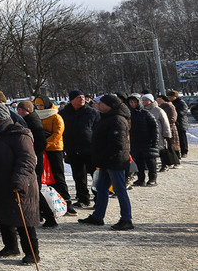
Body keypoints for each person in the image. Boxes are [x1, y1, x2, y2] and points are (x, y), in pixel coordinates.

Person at [0, 103, 40, 265]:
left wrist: (19, 180)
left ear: (0, 117)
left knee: (23, 219)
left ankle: (32, 252)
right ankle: (11, 246)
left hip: (19, 183)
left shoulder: (19, 134)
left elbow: (27, 160)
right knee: (2, 215)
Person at [80, 95, 134, 230]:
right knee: (101, 189)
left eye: (101, 103)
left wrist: (103, 155)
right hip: (106, 161)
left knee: (119, 189)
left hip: (115, 161)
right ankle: (98, 216)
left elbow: (118, 144)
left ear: (110, 105)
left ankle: (126, 219)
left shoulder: (117, 119)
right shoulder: (107, 117)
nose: (98, 105)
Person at [16, 100, 56, 228]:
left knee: (34, 190)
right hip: (34, 160)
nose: (18, 112)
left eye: (20, 110)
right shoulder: (31, 120)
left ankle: (49, 217)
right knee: (34, 189)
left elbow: (40, 143)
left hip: (34, 161)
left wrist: (31, 154)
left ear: (25, 110)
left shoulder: (32, 122)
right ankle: (40, 215)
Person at [59, 90, 99, 209]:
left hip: (90, 149)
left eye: (82, 97)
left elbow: (98, 130)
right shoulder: (63, 114)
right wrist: (63, 149)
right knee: (78, 176)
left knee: (95, 175)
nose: (82, 99)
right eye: (78, 97)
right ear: (71, 100)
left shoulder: (93, 113)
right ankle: (83, 198)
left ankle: (99, 199)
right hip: (73, 149)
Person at [34, 96, 72, 213]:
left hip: (54, 148)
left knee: (58, 175)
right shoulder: (36, 115)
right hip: (42, 149)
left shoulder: (55, 116)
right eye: (37, 105)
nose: (39, 107)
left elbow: (58, 133)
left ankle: (66, 201)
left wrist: (46, 143)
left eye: (41, 105)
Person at [126, 95, 159, 187]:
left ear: (138, 102)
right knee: (139, 162)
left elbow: (154, 127)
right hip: (135, 142)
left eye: (135, 102)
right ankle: (141, 179)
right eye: (131, 102)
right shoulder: (128, 114)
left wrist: (154, 139)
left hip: (147, 141)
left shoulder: (146, 113)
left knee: (150, 161)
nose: (133, 104)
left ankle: (152, 179)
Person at [141, 94, 172, 177]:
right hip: (147, 134)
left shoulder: (158, 110)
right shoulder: (142, 110)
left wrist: (167, 133)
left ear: (151, 101)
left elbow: (165, 122)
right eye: (143, 100)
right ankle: (153, 165)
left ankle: (164, 164)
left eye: (146, 100)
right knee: (151, 151)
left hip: (159, 133)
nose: (144, 102)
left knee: (161, 149)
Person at [156, 93, 180, 171]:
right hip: (163, 128)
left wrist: (167, 124)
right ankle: (168, 162)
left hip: (170, 128)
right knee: (167, 146)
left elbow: (173, 117)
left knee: (172, 146)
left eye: (159, 99)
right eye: (157, 100)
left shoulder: (169, 106)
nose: (158, 101)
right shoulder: (160, 107)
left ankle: (175, 161)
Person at [167, 90, 189, 159]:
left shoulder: (181, 103)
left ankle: (184, 151)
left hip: (180, 123)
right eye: (169, 96)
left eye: (171, 96)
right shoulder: (170, 103)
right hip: (174, 123)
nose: (169, 98)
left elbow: (183, 111)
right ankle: (176, 152)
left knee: (182, 138)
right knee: (175, 139)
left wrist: (174, 114)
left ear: (175, 97)